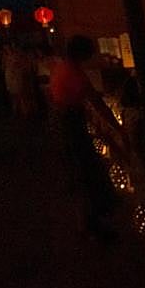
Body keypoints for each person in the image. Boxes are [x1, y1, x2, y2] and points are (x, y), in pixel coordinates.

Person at [49, 34, 126, 241]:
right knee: (84, 171)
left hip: (62, 122)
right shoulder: (75, 74)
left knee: (77, 171)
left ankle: (85, 222)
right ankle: (89, 223)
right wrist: (118, 128)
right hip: (70, 125)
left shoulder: (61, 68)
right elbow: (96, 102)